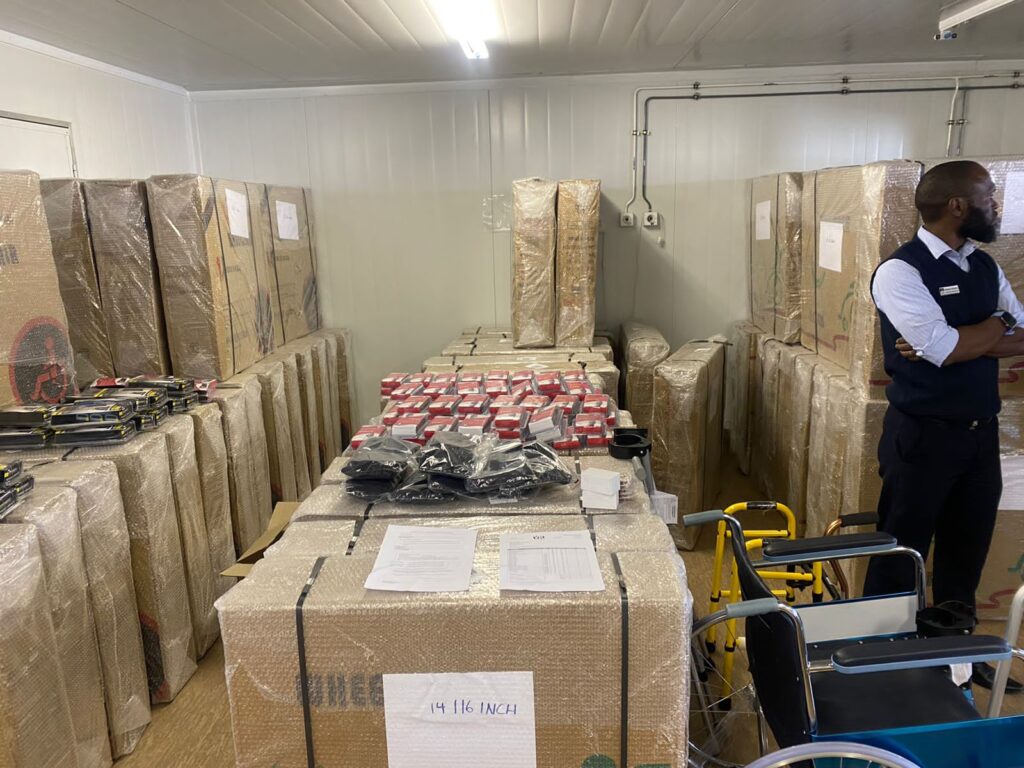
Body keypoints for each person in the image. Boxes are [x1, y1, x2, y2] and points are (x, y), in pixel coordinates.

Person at [865, 160, 1022, 692]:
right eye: (988, 195)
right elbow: (946, 349)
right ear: (957, 205)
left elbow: (1012, 334)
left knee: (965, 553)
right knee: (901, 551)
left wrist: (972, 336)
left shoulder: (984, 266)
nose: (995, 204)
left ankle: (956, 659)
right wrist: (978, 335)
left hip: (980, 436)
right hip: (922, 437)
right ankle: (884, 662)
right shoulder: (899, 271)